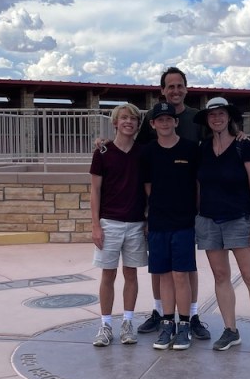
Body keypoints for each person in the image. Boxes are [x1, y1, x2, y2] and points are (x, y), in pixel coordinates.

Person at [134, 66, 211, 342]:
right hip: (160, 214)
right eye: (170, 86)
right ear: (163, 90)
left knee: (186, 269)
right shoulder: (152, 125)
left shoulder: (195, 119)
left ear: (186, 89)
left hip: (186, 211)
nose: (175, 90)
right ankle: (162, 315)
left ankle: (191, 316)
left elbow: (216, 139)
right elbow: (136, 147)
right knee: (162, 270)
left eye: (180, 86)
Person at [194, 97, 250, 356]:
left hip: (239, 220)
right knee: (220, 276)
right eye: (211, 114)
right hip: (208, 220)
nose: (216, 118)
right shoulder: (203, 148)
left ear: (229, 117)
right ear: (207, 119)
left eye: (221, 114)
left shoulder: (243, 147)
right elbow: (198, 185)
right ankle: (231, 329)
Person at [140, 101, 199, 351]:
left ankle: (184, 325)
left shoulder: (190, 149)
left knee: (181, 275)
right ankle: (167, 323)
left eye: (169, 119)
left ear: (176, 122)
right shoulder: (148, 152)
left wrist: (195, 212)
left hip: (184, 222)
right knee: (163, 274)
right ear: (153, 124)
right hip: (159, 222)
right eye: (159, 119)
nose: (165, 123)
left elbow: (197, 185)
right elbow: (148, 187)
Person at [89, 103, 147, 347]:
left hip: (135, 223)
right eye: (124, 118)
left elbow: (148, 189)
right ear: (115, 123)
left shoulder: (143, 152)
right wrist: (95, 225)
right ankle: (105, 325)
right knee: (108, 275)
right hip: (109, 222)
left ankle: (127, 323)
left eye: (133, 118)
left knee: (131, 274)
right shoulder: (102, 152)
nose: (129, 122)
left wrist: (147, 218)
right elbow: (95, 190)